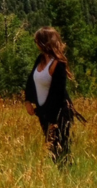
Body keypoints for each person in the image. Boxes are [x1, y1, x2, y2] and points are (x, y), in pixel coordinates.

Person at [23, 26, 85, 167]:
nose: (36, 44)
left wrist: (48, 116)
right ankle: (62, 177)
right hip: (44, 113)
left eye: (37, 41)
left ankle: (67, 176)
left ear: (44, 42)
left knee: (61, 147)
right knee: (51, 148)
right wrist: (28, 101)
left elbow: (58, 93)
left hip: (59, 113)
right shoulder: (40, 59)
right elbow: (31, 80)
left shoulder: (58, 63)